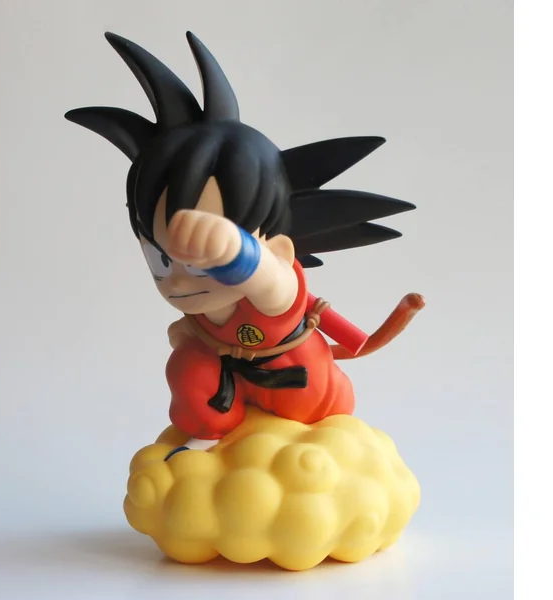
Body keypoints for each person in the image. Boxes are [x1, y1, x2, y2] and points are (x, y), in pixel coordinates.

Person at [65, 32, 424, 453]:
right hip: (227, 382)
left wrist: (237, 253)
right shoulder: (200, 307)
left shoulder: (274, 292)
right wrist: (189, 334)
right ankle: (206, 439)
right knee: (187, 366)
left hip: (300, 386)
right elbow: (196, 331)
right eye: (160, 260)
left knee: (306, 408)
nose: (176, 281)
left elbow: (271, 282)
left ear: (278, 251)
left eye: (199, 262)